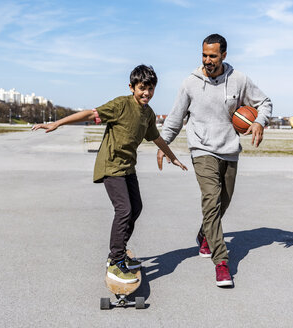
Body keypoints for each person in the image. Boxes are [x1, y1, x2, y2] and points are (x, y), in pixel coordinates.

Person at [32, 65, 187, 284]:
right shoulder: (121, 105)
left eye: (151, 89)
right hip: (111, 166)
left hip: (127, 168)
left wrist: (171, 156)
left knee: (136, 208)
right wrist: (58, 123)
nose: (147, 93)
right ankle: (115, 262)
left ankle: (119, 253)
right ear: (132, 87)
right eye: (142, 88)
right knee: (124, 210)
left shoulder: (148, 113)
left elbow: (157, 138)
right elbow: (90, 113)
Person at [157, 34, 272, 287]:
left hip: (229, 149)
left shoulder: (239, 80)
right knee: (211, 200)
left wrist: (259, 122)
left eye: (213, 56)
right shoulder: (190, 83)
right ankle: (221, 262)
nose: (207, 60)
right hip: (201, 149)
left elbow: (264, 103)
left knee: (224, 201)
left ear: (224, 55)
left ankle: (205, 233)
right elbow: (175, 118)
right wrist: (163, 145)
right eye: (204, 55)